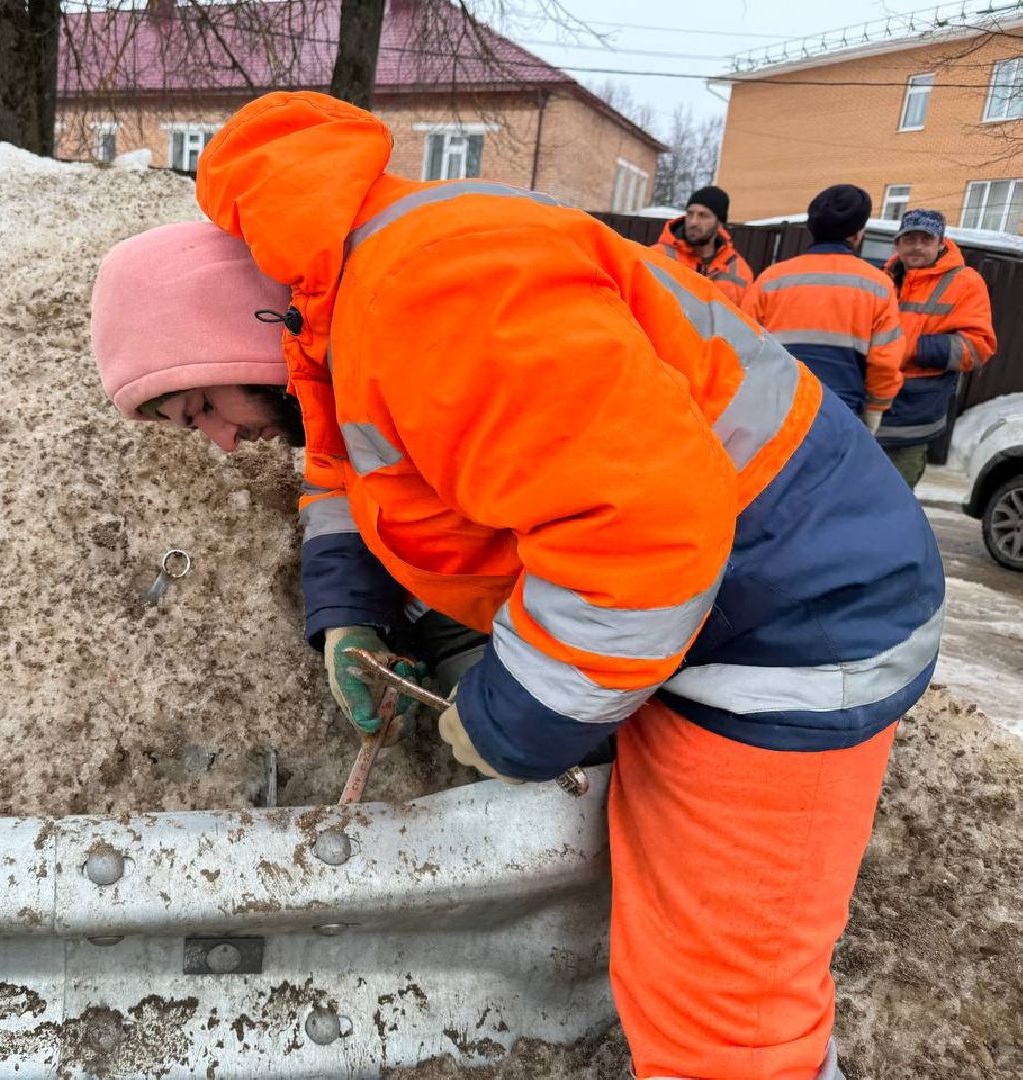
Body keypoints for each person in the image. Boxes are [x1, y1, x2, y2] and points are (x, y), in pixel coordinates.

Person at [91, 91, 944, 1080]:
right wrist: (350, 616)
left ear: (239, 330)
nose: (222, 440)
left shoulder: (429, 302)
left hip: (797, 625)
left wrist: (512, 715)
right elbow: (346, 465)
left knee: (723, 1018)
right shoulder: (339, 320)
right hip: (732, 596)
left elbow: (641, 534)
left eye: (202, 403)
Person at [741, 185, 905, 431]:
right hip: (840, 413)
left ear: (812, 228)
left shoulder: (772, 278)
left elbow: (743, 345)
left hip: (776, 411)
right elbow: (884, 362)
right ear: (858, 234)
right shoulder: (877, 285)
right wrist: (875, 411)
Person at [876, 209, 997, 487]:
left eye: (926, 239)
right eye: (909, 239)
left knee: (893, 504)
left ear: (942, 243)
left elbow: (978, 347)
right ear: (897, 244)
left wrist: (910, 348)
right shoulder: (884, 279)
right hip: (869, 410)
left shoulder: (965, 282)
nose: (917, 246)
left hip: (912, 417)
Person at [652, 185, 754, 304]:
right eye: (690, 214)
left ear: (719, 223)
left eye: (703, 215)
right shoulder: (656, 256)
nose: (693, 222)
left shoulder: (740, 272)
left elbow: (745, 319)